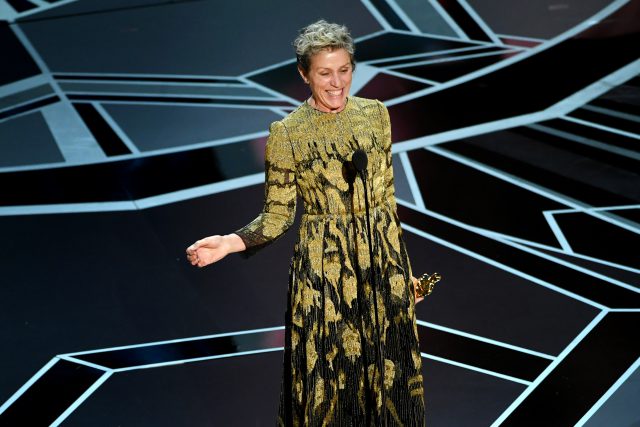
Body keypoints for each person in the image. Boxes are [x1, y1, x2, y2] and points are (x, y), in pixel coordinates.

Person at [186, 20, 426, 426]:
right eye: (325, 73)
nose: (337, 83)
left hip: (381, 267)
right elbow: (278, 214)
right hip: (326, 276)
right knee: (333, 386)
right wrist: (229, 242)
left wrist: (401, 273)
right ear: (304, 74)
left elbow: (386, 201)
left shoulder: (375, 115)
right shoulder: (288, 134)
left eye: (344, 70)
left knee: (392, 384)